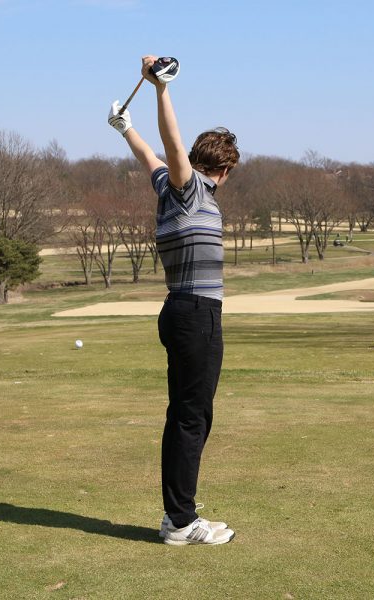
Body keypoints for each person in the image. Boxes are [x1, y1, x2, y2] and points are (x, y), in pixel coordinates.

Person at [107, 55, 239, 546]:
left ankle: (177, 514)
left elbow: (151, 156)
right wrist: (161, 88)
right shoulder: (190, 190)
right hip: (196, 312)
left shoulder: (167, 185)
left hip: (180, 311)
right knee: (191, 416)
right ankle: (182, 523)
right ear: (223, 170)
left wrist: (124, 128)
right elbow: (171, 147)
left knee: (187, 414)